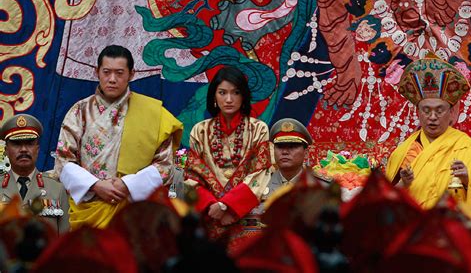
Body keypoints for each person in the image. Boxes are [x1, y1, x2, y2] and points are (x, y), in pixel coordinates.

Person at [53, 45, 183, 229]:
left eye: (119, 73)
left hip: (133, 211)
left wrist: (127, 185)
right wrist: (96, 185)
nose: (112, 79)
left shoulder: (152, 113)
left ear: (131, 74)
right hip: (89, 211)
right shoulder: (79, 112)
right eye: (107, 72)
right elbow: (63, 162)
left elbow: (165, 165)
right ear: (97, 72)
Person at [184, 66, 272, 242]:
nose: (229, 99)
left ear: (243, 96)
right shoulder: (200, 130)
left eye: (236, 92)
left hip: (245, 213)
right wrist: (212, 206)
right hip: (209, 214)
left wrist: (228, 205)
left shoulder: (258, 129)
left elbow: (260, 173)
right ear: (214, 96)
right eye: (222, 93)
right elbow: (191, 174)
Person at [386, 54, 471, 208]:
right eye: (426, 110)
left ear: (451, 112)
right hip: (416, 226)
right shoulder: (404, 153)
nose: (433, 117)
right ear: (417, 112)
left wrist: (467, 181)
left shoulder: (467, 148)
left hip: (450, 226)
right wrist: (404, 185)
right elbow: (388, 201)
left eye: (439, 110)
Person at [0, 114, 69, 234]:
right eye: (16, 144)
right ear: (6, 150)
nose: (23, 149)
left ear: (37, 148)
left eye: (29, 143)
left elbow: (64, 240)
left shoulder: (57, 189)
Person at [264, 118, 330, 198]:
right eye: (280, 146)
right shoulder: (260, 185)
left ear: (306, 153)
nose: (285, 152)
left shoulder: (322, 188)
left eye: (292, 146)